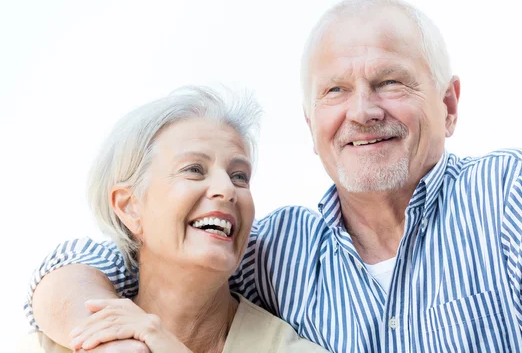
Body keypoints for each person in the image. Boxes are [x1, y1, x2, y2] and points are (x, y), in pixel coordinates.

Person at [26, 0, 522, 352]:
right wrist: (104, 338)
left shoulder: (518, 196)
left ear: (448, 106)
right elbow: (118, 261)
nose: (362, 110)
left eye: (390, 82)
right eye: (335, 91)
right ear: (312, 127)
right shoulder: (278, 252)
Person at [21, 86, 326, 352]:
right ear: (130, 207)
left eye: (239, 176)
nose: (226, 189)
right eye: (194, 169)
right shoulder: (53, 345)